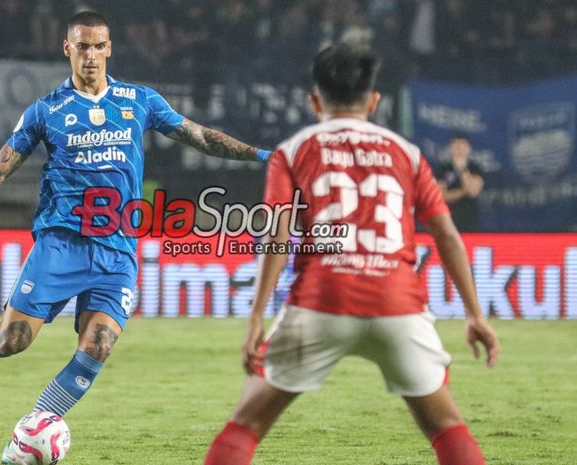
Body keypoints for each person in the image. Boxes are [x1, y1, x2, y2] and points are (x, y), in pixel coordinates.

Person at [0, 11, 271, 464]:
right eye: (82, 46)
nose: (90, 56)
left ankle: (28, 437)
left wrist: (265, 155)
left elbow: (200, 136)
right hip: (61, 244)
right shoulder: (46, 110)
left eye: (98, 46)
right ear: (66, 49)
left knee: (98, 346)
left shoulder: (139, 101)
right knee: (10, 341)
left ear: (109, 49)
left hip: (117, 250)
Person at [203, 44, 500, 465]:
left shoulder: (292, 151)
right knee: (447, 427)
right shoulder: (407, 153)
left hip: (321, 301)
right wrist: (475, 313)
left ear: (314, 99)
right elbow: (447, 235)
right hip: (398, 304)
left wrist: (256, 316)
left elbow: (277, 234)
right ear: (374, 100)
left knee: (245, 427)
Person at [435, 134, 484, 232]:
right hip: (448, 219)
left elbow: (473, 192)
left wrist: (462, 169)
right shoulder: (442, 169)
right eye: (456, 146)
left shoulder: (475, 168)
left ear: (468, 148)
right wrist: (463, 191)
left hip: (470, 219)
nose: (459, 149)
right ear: (450, 148)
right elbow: (441, 196)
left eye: (462, 146)